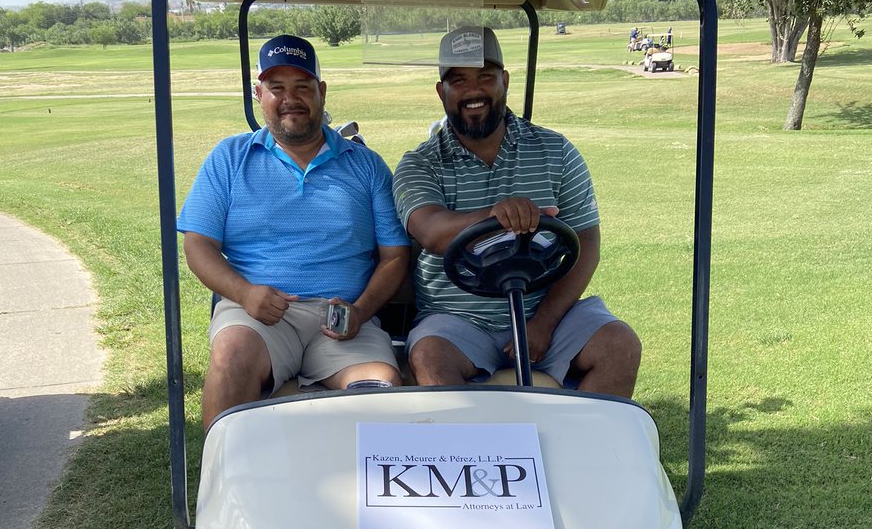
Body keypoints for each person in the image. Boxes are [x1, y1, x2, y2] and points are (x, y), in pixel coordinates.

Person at [392, 27, 641, 395]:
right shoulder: (420, 164)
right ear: (441, 91)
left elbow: (586, 241)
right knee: (429, 355)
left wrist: (543, 323)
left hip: (543, 311)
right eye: (458, 80)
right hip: (456, 322)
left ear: (504, 81)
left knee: (619, 344)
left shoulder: (555, 151)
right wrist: (498, 215)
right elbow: (431, 230)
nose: (473, 91)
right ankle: (470, 452)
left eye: (485, 77)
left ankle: (578, 450)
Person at [178, 34, 410, 427]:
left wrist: (361, 310)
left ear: (320, 92)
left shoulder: (366, 165)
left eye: (302, 87)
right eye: (277, 88)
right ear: (259, 94)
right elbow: (198, 244)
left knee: (380, 387)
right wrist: (243, 293)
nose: (291, 99)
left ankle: (358, 488)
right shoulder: (230, 158)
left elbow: (394, 256)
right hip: (256, 312)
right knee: (232, 356)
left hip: (343, 317)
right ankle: (225, 482)